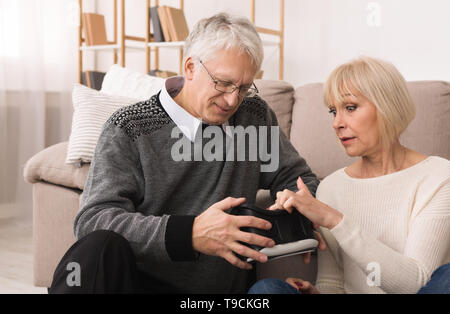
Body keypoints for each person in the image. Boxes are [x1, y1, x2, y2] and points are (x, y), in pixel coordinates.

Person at [48, 13, 319, 294]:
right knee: (96, 249)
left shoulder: (254, 116)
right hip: (139, 286)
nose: (232, 100)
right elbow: (92, 221)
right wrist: (188, 234)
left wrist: (294, 208)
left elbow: (298, 180)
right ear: (190, 67)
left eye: (243, 87)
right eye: (224, 83)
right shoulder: (129, 127)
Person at [249, 56, 450, 294]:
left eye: (350, 108)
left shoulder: (439, 176)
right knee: (268, 290)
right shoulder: (332, 187)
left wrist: (335, 220)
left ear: (388, 106)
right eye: (334, 111)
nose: (336, 123)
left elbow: (415, 282)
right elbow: (332, 282)